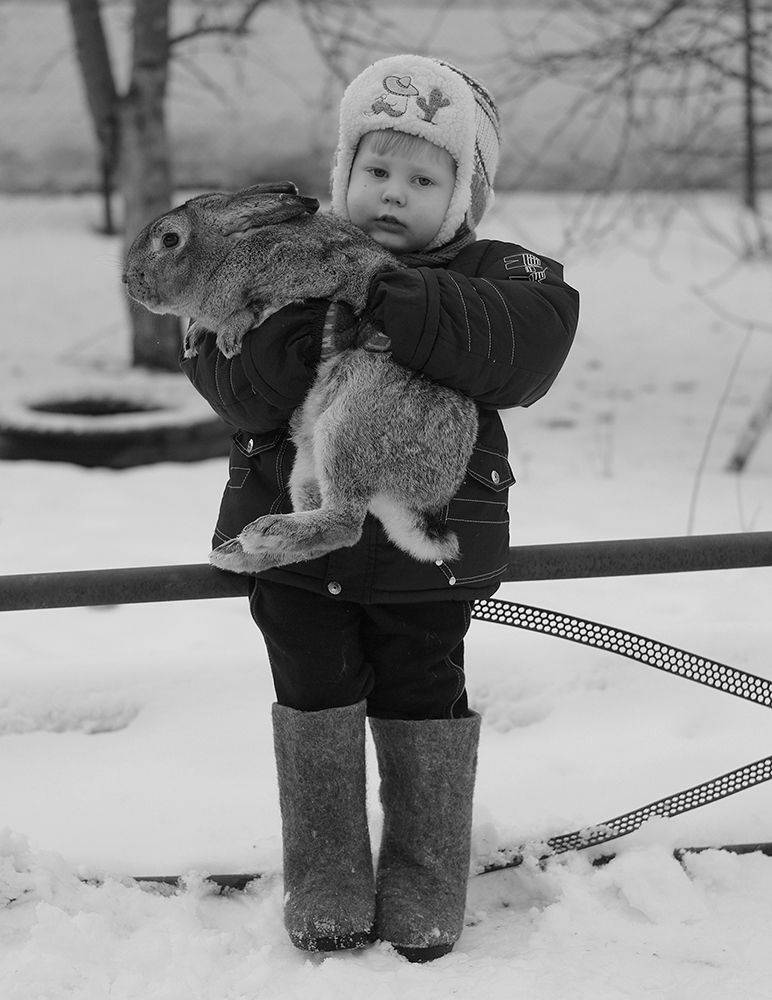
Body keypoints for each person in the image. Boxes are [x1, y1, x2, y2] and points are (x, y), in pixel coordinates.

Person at [181, 55, 579, 962]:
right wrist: (302, 311)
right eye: (375, 171)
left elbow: (528, 348)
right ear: (342, 175)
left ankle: (426, 877)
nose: (392, 195)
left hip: (421, 557)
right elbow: (229, 378)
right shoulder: (285, 256)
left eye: (422, 177)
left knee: (424, 694)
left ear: (464, 196)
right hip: (295, 550)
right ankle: (326, 876)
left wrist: (379, 290)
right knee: (312, 692)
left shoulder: (496, 273)